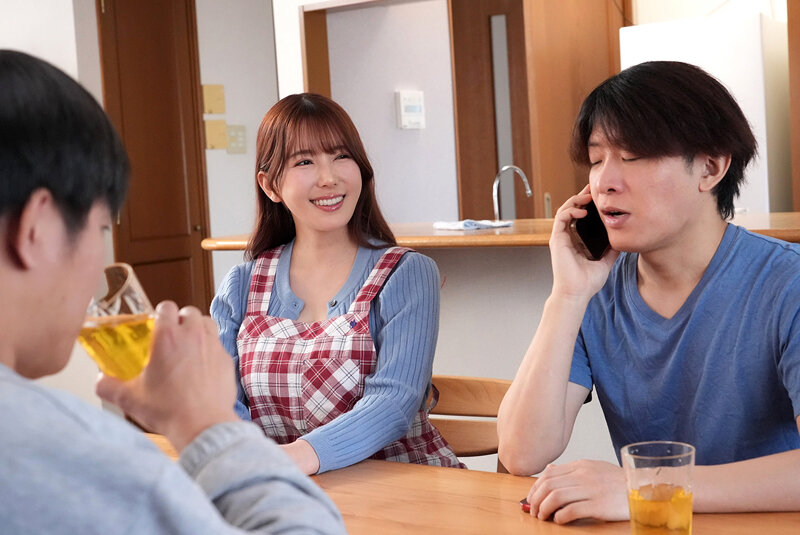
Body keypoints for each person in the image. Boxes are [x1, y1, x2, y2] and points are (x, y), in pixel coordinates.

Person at [0, 50, 345, 534]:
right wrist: (206, 426)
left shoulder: (401, 272)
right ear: (38, 230)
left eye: (340, 156)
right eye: (102, 228)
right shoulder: (76, 460)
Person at [497, 61, 800, 523]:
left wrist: (651, 486)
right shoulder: (596, 292)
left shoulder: (787, 282)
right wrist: (567, 297)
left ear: (710, 168)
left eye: (633, 156)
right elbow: (522, 453)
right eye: (596, 160)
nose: (604, 181)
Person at [211, 93, 462, 475]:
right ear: (270, 185)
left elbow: (395, 401)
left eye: (341, 156)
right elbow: (218, 401)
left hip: (403, 490)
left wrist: (295, 459)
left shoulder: (407, 273)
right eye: (305, 161)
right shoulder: (241, 285)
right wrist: (257, 466)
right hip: (285, 488)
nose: (329, 178)